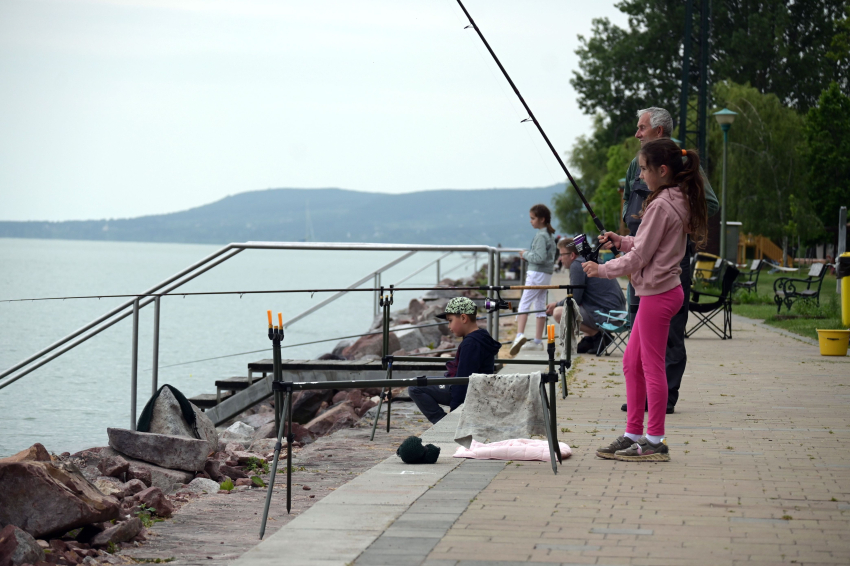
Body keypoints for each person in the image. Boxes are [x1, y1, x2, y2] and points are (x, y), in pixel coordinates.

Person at [586, 138, 709, 462]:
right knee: (631, 363)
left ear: (662, 170)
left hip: (658, 294)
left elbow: (641, 256)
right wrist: (621, 240)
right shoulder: (675, 198)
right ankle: (633, 435)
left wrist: (602, 270)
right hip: (659, 291)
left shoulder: (661, 204)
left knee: (651, 368)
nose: (640, 176)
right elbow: (645, 244)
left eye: (643, 169)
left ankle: (654, 441)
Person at [621, 107, 720, 414]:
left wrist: (671, 217)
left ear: (659, 131)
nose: (637, 133)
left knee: (670, 335)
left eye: (642, 128)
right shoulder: (633, 164)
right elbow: (628, 200)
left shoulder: (678, 161)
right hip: (638, 257)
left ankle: (665, 399)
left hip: (668, 264)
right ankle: (642, 397)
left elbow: (711, 205)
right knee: (637, 333)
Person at [408, 297, 501, 424]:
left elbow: (463, 379)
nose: (449, 326)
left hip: (471, 392)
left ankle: (444, 423)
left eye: (450, 321)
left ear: (463, 318)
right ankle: (444, 422)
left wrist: (455, 410)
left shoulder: (471, 343)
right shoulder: (480, 337)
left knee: (415, 386)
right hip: (478, 389)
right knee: (419, 383)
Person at [546, 238, 626, 354]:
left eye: (562, 254)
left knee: (559, 312)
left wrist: (556, 304)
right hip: (618, 315)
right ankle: (589, 340)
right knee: (584, 303)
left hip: (608, 317)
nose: (560, 259)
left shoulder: (577, 265)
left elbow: (574, 300)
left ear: (572, 255)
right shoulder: (591, 260)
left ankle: (598, 336)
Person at [510, 204, 557, 354]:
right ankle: (537, 341)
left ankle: (519, 335)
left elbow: (539, 257)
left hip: (536, 273)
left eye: (532, 218)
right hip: (546, 275)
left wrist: (525, 254)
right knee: (540, 305)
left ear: (541, 219)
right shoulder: (550, 235)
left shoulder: (541, 236)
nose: (530, 221)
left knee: (524, 303)